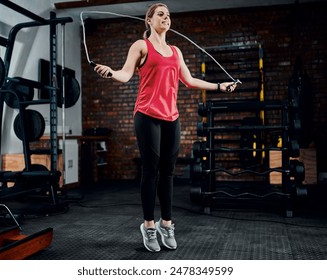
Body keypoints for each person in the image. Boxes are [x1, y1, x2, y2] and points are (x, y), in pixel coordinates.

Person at [93, 3, 237, 252]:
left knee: (168, 172)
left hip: (172, 116)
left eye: (168, 15)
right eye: (160, 14)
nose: (166, 18)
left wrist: (219, 86)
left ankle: (166, 224)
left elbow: (189, 80)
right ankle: (148, 226)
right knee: (151, 171)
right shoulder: (141, 46)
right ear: (149, 20)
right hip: (147, 114)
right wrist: (110, 72)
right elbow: (126, 75)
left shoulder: (175, 51)